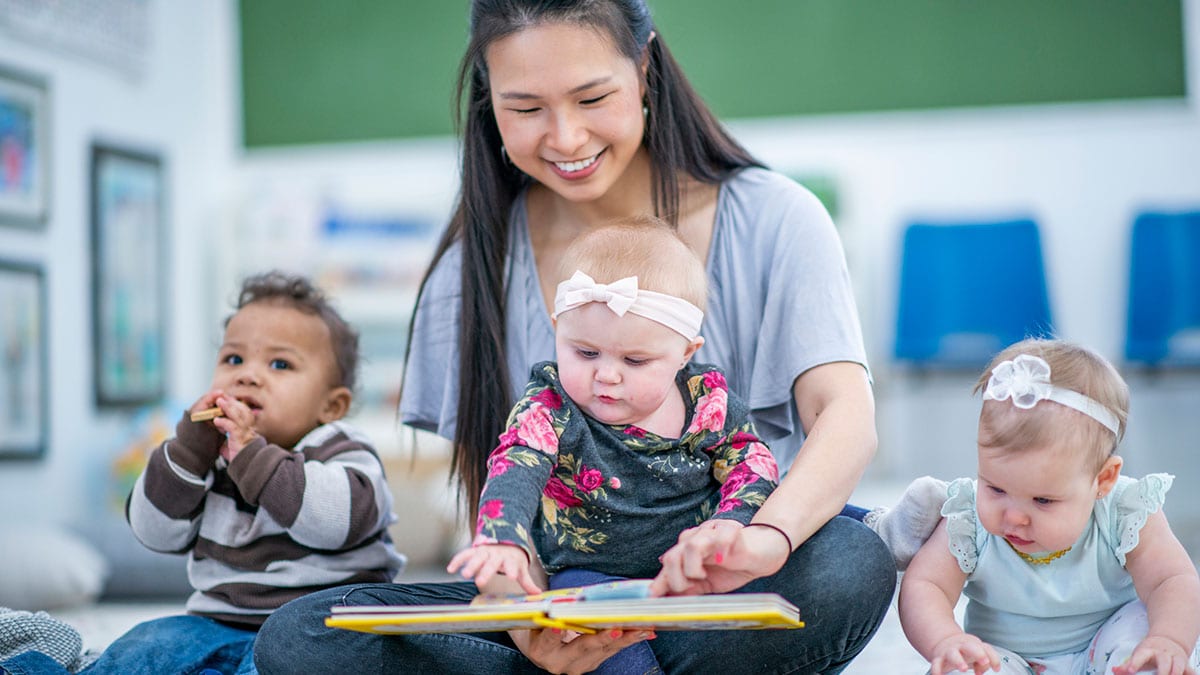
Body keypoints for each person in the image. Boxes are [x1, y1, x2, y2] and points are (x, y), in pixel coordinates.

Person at [255, 1, 894, 673]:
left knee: (850, 561)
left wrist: (763, 536)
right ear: (488, 99)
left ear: (643, 69)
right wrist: (521, 612)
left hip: (726, 591)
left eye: (592, 97)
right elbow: (504, 495)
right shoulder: (468, 271)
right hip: (563, 591)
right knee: (305, 634)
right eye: (526, 108)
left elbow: (845, 416)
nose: (565, 137)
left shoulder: (776, 219)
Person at [1, 271, 405, 675]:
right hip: (214, 622)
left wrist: (253, 456)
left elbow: (335, 522)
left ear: (331, 406)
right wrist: (187, 453)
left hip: (319, 631)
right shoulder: (207, 454)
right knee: (142, 648)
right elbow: (153, 532)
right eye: (234, 359)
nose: (247, 374)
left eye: (280, 364)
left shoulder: (343, 451)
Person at [448, 220, 781, 673]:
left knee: (817, 527)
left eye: (635, 360)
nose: (607, 375)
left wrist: (729, 522)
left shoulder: (708, 402)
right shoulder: (549, 406)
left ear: (686, 352)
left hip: (698, 569)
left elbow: (753, 461)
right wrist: (504, 537)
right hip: (594, 576)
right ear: (557, 329)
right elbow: (516, 462)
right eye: (586, 353)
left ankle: (882, 527)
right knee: (614, 657)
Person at [898, 338, 1200, 675]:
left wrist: (1169, 639)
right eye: (996, 488)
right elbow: (926, 585)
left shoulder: (1124, 513)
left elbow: (1171, 581)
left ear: (1103, 479)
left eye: (1043, 500)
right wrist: (945, 640)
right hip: (1006, 657)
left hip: (1107, 646)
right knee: (964, 670)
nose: (1013, 516)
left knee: (1147, 643)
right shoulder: (968, 520)